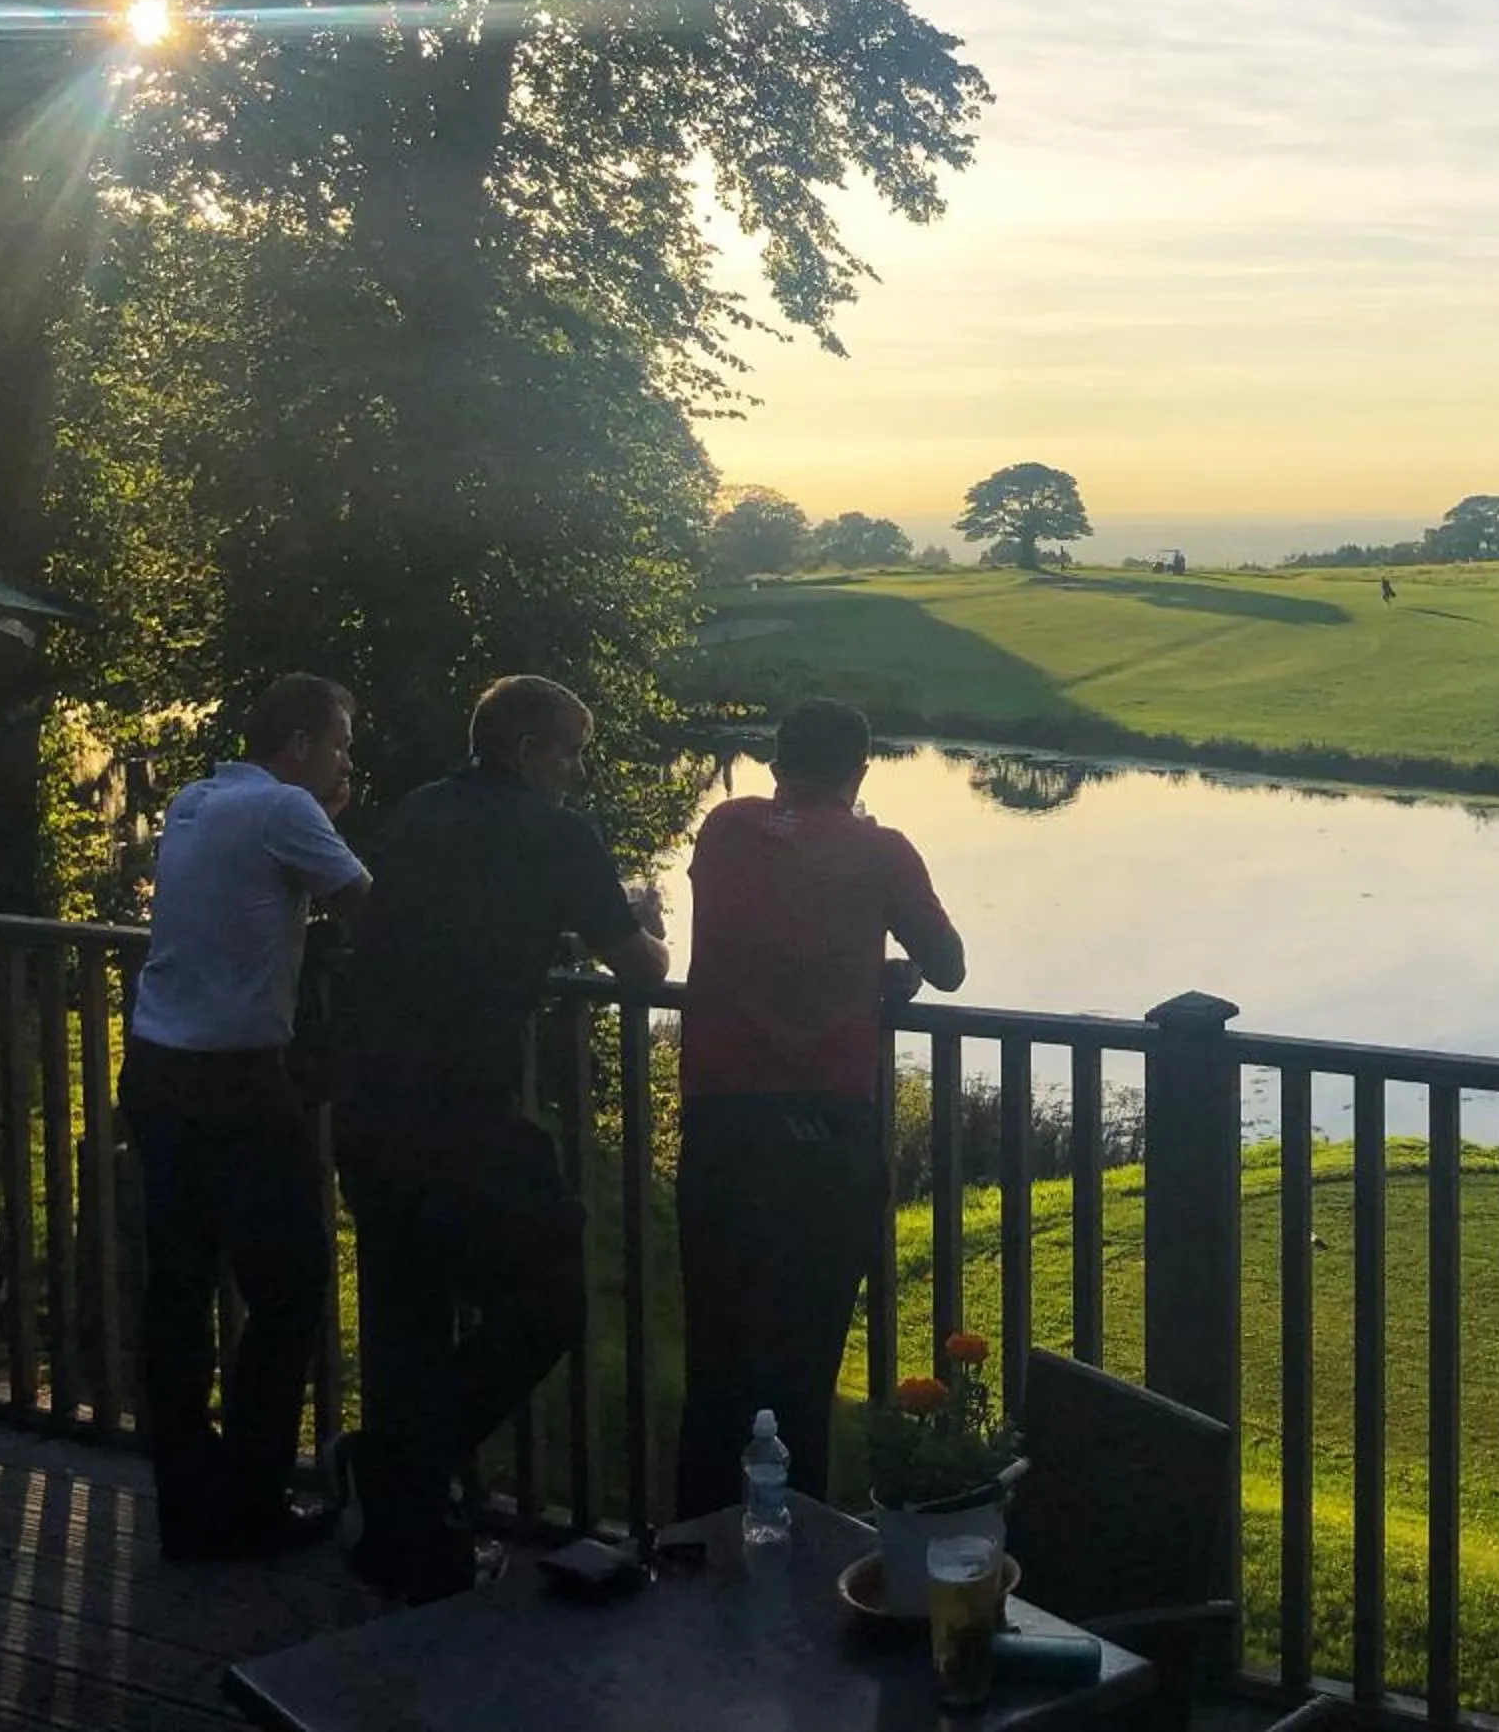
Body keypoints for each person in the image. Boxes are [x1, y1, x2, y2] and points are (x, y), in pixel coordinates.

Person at [332, 675, 668, 1601]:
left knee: (407, 1313)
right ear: (527, 751)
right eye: (569, 750)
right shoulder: (558, 831)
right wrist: (643, 921)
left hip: (367, 1102)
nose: (577, 768)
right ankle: (395, 1468)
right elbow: (639, 967)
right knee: (546, 1302)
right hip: (460, 1108)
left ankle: (407, 1542)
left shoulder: (418, 811)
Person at [673, 697, 964, 1516]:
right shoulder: (882, 851)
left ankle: (696, 1546)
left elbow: (765, 930)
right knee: (802, 1361)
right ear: (860, 769)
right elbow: (948, 968)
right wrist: (886, 971)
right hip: (824, 1136)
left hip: (723, 1127)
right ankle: (789, 1557)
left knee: (716, 1355)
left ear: (773, 764)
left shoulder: (724, 829)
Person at [120, 673, 370, 1561]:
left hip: (154, 1068)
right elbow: (369, 909)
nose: (348, 759)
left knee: (180, 1291)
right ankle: (254, 1500)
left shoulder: (197, 799)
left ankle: (187, 1503)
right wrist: (326, 815)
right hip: (233, 1081)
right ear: (299, 743)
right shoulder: (280, 811)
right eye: (340, 742)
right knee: (293, 1284)